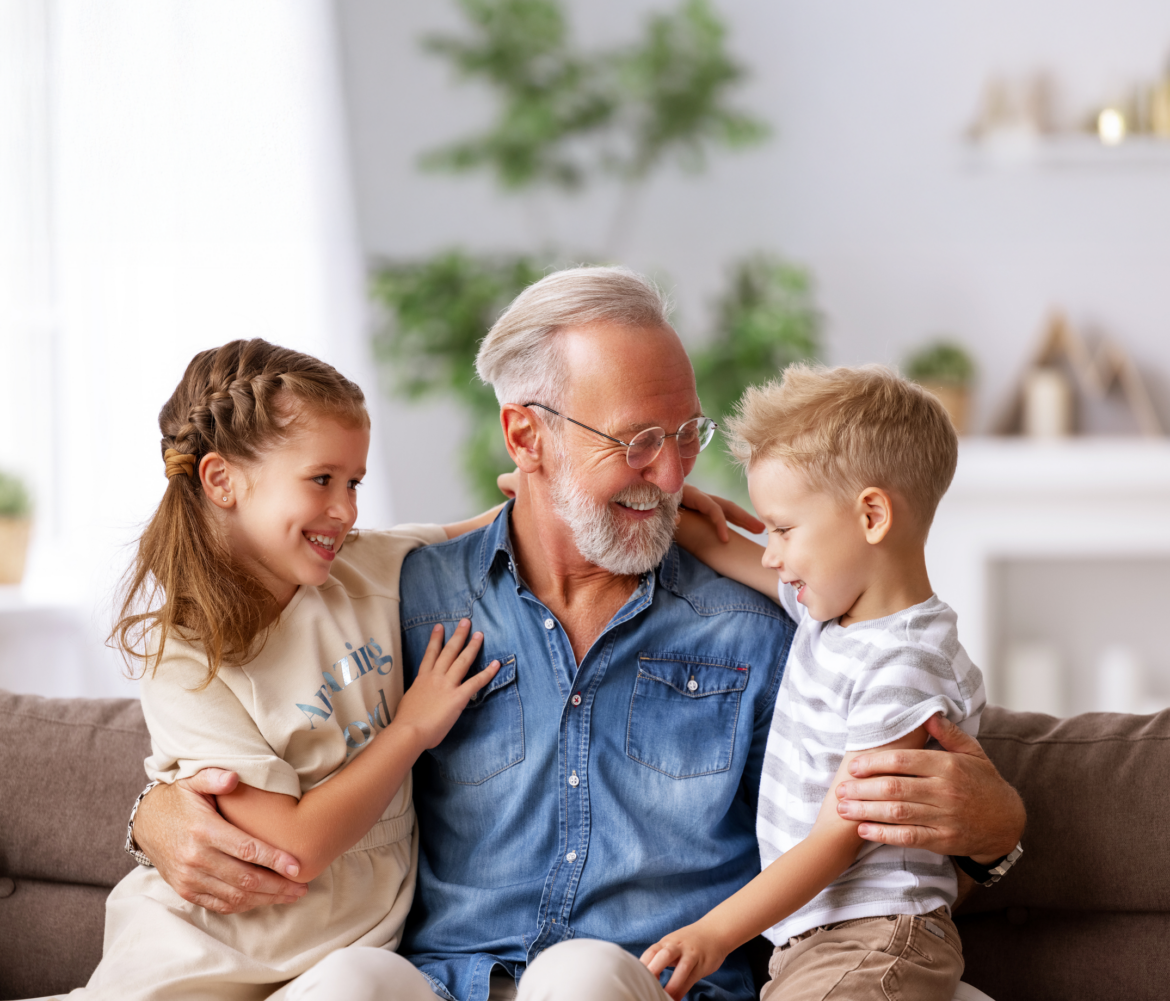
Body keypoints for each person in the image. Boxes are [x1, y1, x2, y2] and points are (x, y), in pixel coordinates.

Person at [131, 269, 1026, 1001]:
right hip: (440, 984)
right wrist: (154, 813)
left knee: (583, 977)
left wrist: (997, 832)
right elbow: (272, 716)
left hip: (639, 986)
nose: (674, 473)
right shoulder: (403, 594)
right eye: (638, 441)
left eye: (684, 435)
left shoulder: (768, 616)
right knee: (346, 985)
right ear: (527, 435)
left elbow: (864, 818)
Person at [60, 339, 504, 1001]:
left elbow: (503, 524)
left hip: (337, 960)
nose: (347, 510)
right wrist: (411, 729)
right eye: (321, 479)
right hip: (206, 956)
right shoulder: (186, 655)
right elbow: (295, 846)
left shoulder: (371, 566)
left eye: (353, 482)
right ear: (222, 480)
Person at [641, 364, 999, 1000]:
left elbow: (837, 840)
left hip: (882, 937)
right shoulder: (829, 613)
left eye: (782, 528)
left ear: (870, 515)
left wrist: (713, 933)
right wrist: (638, 502)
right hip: (815, 942)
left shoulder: (906, 663)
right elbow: (712, 542)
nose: (770, 551)